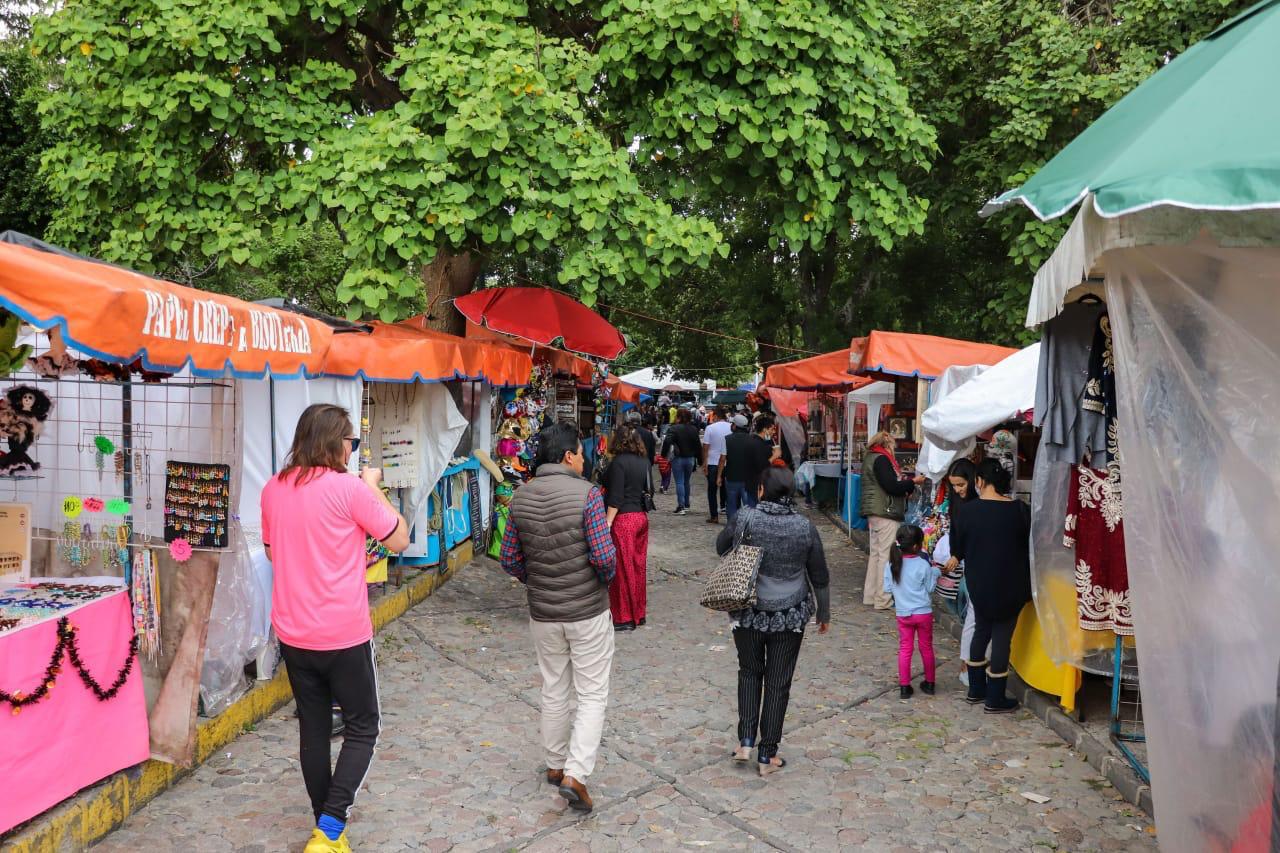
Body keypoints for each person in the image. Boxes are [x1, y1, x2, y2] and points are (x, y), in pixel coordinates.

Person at [260, 403, 410, 853]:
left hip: (294, 632)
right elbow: (399, 538)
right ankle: (328, 829)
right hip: (343, 633)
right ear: (336, 443)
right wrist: (373, 486)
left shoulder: (273, 487)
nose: (353, 449)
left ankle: (325, 828)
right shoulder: (350, 488)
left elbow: (271, 552)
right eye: (352, 442)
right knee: (364, 726)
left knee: (314, 728)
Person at [500, 421, 618, 812]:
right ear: (568, 456)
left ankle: (554, 765)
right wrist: (599, 581)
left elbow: (510, 559)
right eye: (582, 453)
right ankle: (576, 774)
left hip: (544, 612)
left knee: (554, 688)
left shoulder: (521, 497)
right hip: (586, 612)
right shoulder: (588, 496)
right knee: (591, 694)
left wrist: (538, 580)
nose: (585, 460)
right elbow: (603, 557)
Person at [715, 468, 830, 777]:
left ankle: (746, 741)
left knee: (749, 673)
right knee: (778, 683)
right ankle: (768, 756)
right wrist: (824, 612)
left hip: (749, 610)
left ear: (762, 490)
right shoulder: (804, 527)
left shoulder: (746, 517)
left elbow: (721, 546)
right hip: (790, 615)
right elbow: (819, 572)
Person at [947, 458, 1032, 714]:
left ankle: (976, 690)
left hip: (979, 583)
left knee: (981, 632)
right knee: (1002, 639)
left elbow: (957, 549)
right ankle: (995, 698)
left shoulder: (966, 511)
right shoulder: (1020, 510)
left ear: (980, 481)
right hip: (1011, 584)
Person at [860, 431, 925, 610]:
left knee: (876, 554)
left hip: (875, 511)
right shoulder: (881, 459)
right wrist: (913, 482)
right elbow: (891, 486)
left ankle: (871, 595)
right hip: (885, 511)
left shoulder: (871, 457)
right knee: (885, 556)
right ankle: (883, 599)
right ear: (887, 444)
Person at [604, 423, 652, 631]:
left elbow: (615, 497)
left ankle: (624, 617)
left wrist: (607, 523)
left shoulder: (618, 463)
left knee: (622, 571)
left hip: (624, 519)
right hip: (641, 517)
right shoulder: (644, 462)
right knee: (638, 567)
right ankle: (638, 613)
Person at [883, 523, 939, 699]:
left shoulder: (891, 565)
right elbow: (930, 588)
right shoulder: (923, 565)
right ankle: (930, 683)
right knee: (926, 648)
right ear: (916, 546)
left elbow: (887, 588)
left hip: (903, 614)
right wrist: (936, 572)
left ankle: (905, 687)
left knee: (905, 649)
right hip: (923, 614)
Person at [660, 408, 701, 515]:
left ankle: (681, 506)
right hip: (690, 458)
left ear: (678, 417)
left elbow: (667, 441)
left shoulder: (674, 428)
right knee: (686, 482)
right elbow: (698, 445)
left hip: (678, 458)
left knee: (679, 482)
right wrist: (700, 460)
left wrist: (663, 455)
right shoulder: (693, 429)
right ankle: (687, 504)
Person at [719, 414, 753, 522]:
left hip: (732, 476)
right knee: (748, 505)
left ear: (735, 426)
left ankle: (731, 526)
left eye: (732, 423)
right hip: (748, 478)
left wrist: (719, 476)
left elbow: (722, 459)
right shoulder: (752, 439)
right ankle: (748, 526)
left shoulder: (727, 439)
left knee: (731, 504)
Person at [702, 406, 732, 524]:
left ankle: (714, 515)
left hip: (713, 462)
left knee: (712, 490)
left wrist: (704, 462)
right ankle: (726, 509)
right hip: (728, 462)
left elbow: (705, 447)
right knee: (727, 488)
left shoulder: (710, 428)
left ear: (715, 416)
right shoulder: (731, 427)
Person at [742, 415, 781, 504]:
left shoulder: (753, 440)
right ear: (765, 429)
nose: (773, 432)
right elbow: (762, 466)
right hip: (757, 484)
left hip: (751, 482)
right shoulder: (759, 444)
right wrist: (774, 456)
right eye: (772, 429)